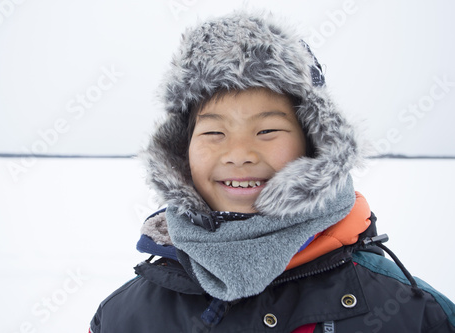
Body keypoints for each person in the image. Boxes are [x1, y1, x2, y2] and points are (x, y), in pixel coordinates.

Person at [89, 11, 455, 332]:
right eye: (214, 132)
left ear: (314, 142)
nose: (239, 154)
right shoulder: (123, 317)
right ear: (180, 152)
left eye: (266, 131)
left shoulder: (412, 313)